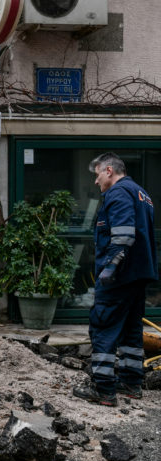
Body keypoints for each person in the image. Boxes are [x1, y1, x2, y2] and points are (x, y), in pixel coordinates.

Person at [73, 152, 157, 407]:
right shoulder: (142, 194)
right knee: (132, 330)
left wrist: (109, 269)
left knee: (103, 326)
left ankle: (104, 389)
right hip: (137, 276)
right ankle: (132, 383)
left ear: (109, 170)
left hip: (119, 277)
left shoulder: (119, 193)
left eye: (97, 174)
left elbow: (123, 236)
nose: (96, 181)